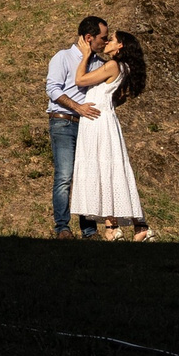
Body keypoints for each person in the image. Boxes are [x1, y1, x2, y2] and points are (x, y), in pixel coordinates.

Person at [70, 28, 152, 241]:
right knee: (108, 169)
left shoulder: (113, 65)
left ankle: (114, 227)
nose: (107, 42)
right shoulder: (123, 67)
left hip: (98, 122)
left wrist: (86, 55)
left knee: (103, 168)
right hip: (102, 118)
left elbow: (80, 80)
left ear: (120, 45)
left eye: (112, 40)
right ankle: (128, 225)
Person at [45, 16, 107, 239]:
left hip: (87, 124)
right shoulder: (63, 57)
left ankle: (89, 230)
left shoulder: (99, 63)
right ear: (89, 38)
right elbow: (52, 89)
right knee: (64, 175)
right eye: (103, 38)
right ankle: (62, 228)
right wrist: (77, 107)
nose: (105, 42)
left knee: (87, 175)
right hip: (63, 121)